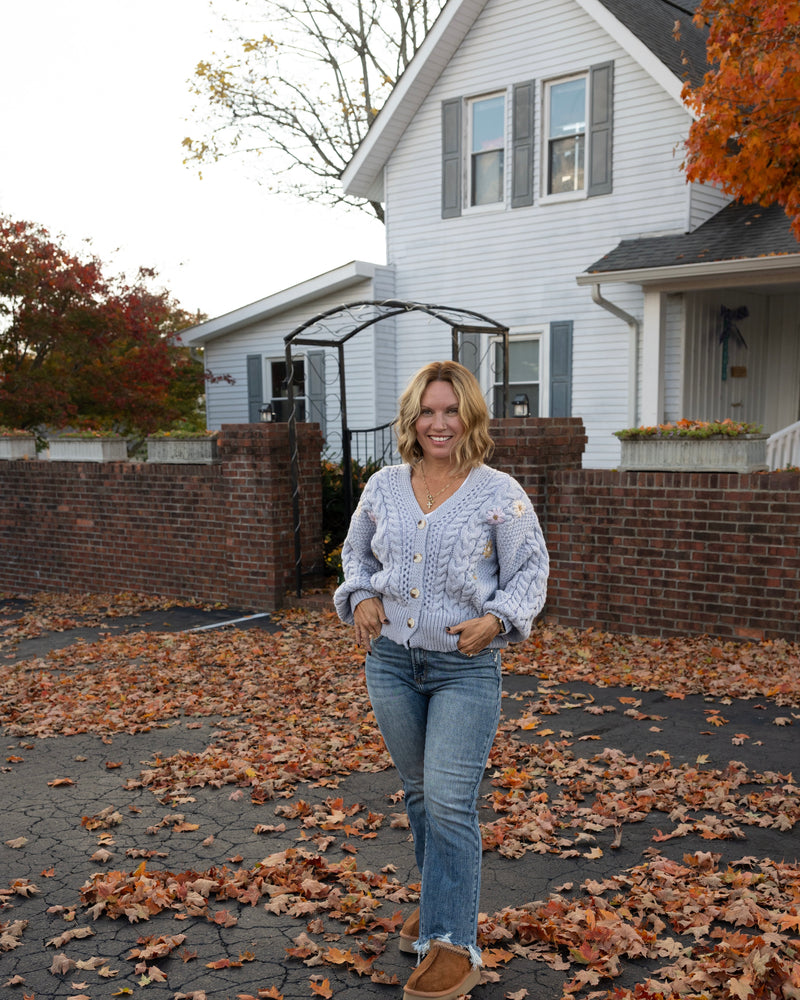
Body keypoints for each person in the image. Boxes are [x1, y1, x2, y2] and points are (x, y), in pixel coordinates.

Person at [334, 360, 549, 1000]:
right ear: (412, 419)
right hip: (392, 664)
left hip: (465, 669)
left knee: (452, 801)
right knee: (422, 796)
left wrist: (498, 619)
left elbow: (529, 572)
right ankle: (436, 919)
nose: (438, 423)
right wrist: (362, 595)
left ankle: (453, 946)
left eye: (450, 410)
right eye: (427, 411)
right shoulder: (383, 486)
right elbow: (355, 555)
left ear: (470, 417)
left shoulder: (498, 492)